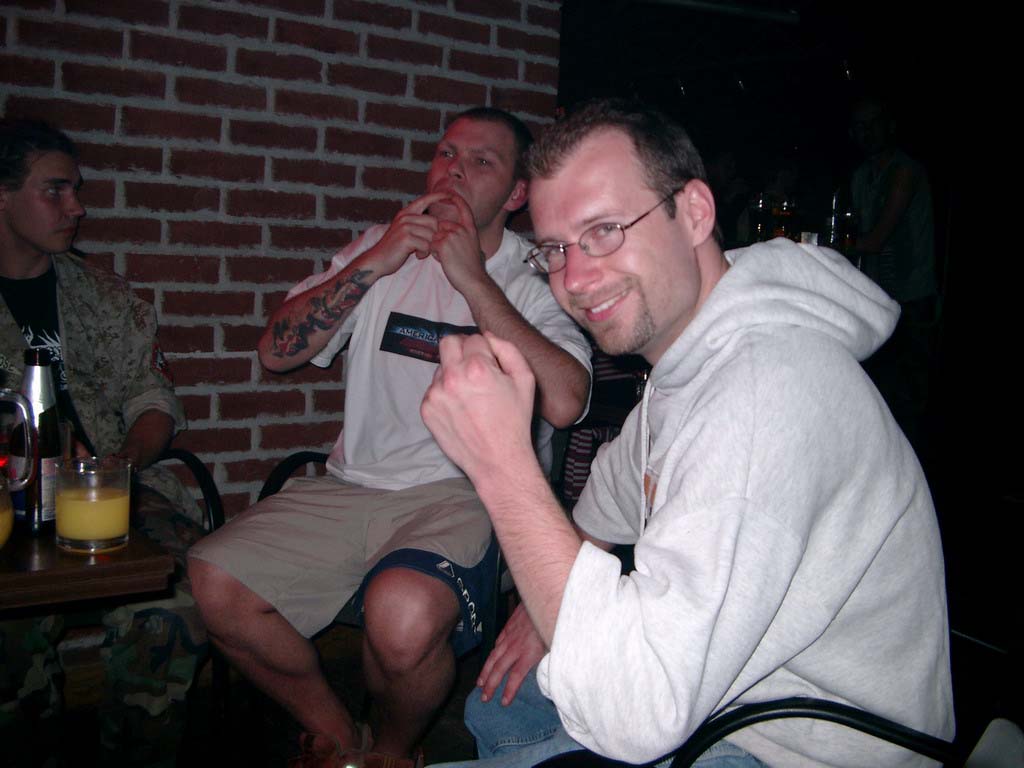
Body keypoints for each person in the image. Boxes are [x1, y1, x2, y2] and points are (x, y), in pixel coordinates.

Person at [420, 99, 953, 767]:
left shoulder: (766, 389)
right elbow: (610, 493)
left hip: (794, 746)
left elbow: (638, 714)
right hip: (717, 701)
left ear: (695, 213)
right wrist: (542, 606)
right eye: (554, 249)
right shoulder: (688, 359)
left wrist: (502, 467)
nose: (574, 279)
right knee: (500, 705)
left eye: (605, 229)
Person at [187, 107, 592, 767]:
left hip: (464, 491)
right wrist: (377, 260)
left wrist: (472, 279)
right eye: (445, 154)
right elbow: (277, 352)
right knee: (213, 581)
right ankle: (344, 739)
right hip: (353, 483)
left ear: (517, 193)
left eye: (481, 162)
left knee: (401, 617)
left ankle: (396, 752)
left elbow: (569, 401)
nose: (453, 171)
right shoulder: (382, 246)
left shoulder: (534, 273)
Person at [0, 118, 207, 767]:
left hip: (110, 493)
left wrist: (126, 461)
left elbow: (152, 398)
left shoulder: (101, 294)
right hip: (10, 508)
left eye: (77, 189)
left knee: (175, 602)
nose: (77, 207)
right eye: (55, 190)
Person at [849, 95, 938, 450]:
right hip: (877, 298)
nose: (866, 132)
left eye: (872, 123)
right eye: (859, 126)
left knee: (910, 403)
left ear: (890, 126)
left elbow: (873, 239)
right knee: (880, 398)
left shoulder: (905, 170)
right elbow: (857, 233)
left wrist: (825, 241)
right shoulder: (861, 176)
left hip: (911, 296)